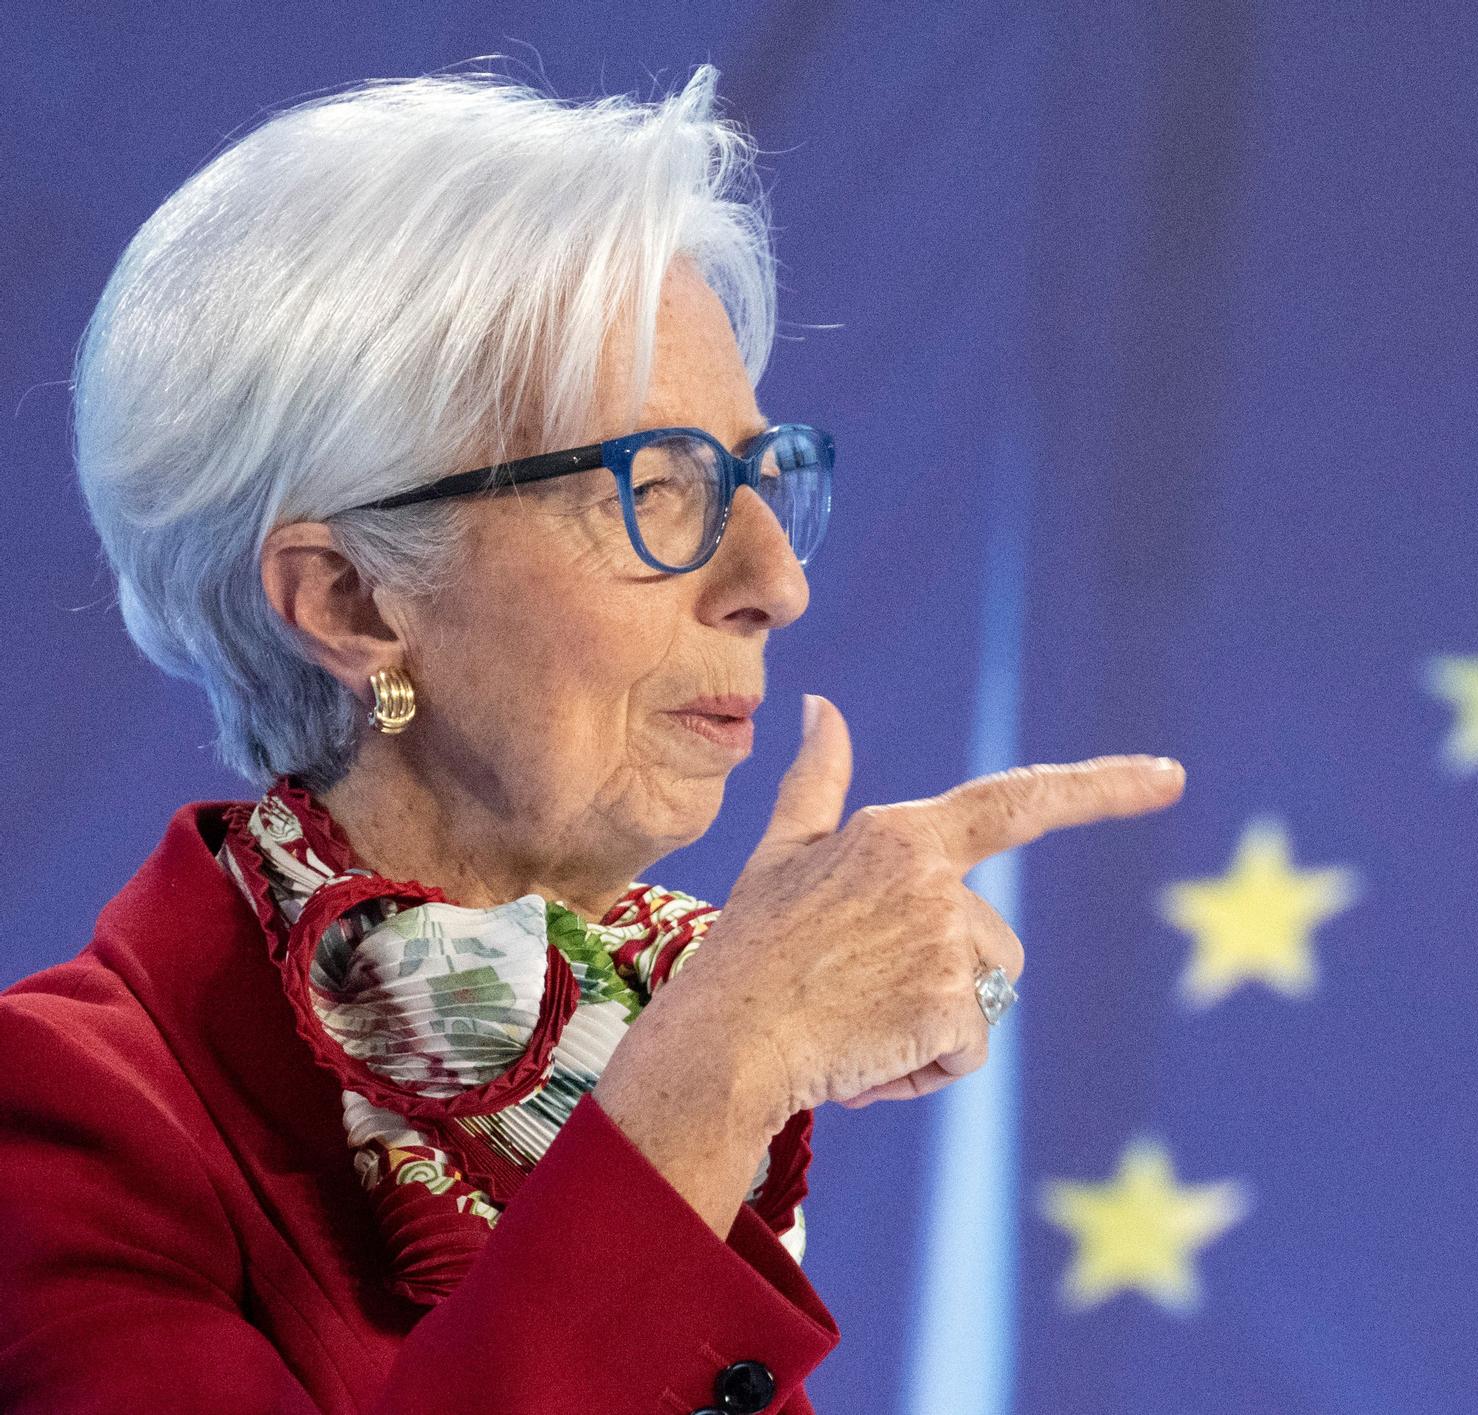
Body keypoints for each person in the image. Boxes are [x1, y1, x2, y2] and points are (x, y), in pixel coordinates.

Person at [0, 67, 1184, 1414]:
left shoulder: (625, 1037)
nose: (772, 581)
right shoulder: (56, 1123)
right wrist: (725, 1061)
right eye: (657, 489)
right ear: (352, 602)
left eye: (755, 476)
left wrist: (758, 1033)